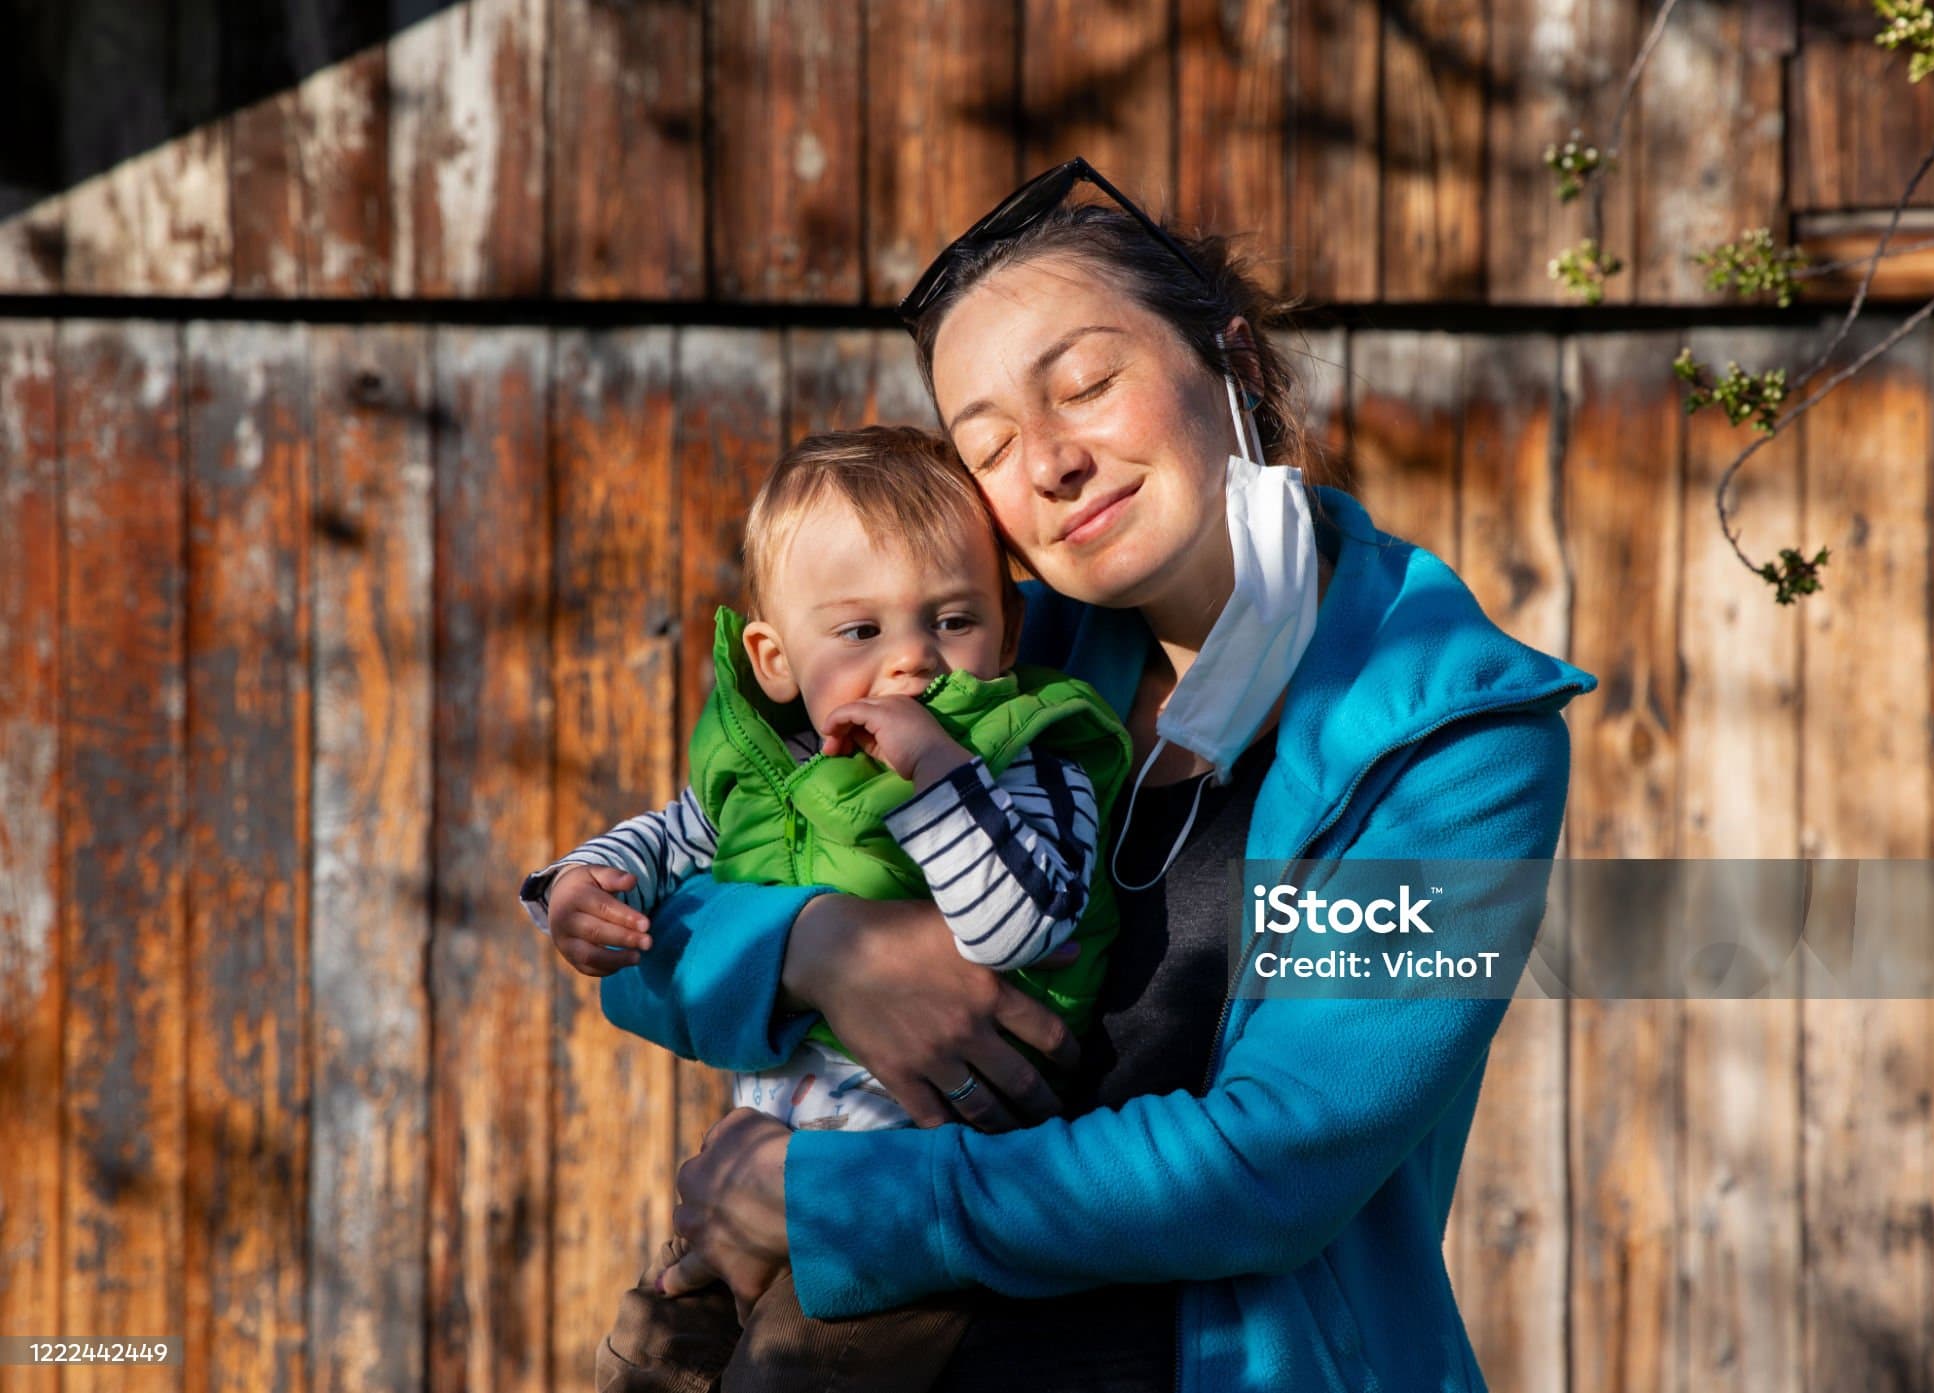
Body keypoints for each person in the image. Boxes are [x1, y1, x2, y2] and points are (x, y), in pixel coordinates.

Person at [556, 158, 1597, 1392]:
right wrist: (821, 946)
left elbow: (1274, 1168)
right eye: (985, 444)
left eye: (1086, 386)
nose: (1046, 462)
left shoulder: (1455, 740)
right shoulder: (984, 654)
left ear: (1235, 364)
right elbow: (652, 946)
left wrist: (827, 1199)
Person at [520, 425, 1131, 1390]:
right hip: (759, 1168)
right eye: (860, 631)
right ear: (773, 658)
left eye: (953, 620)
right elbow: (674, 841)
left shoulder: (1028, 761)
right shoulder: (774, 771)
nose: (911, 664)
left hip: (915, 1190)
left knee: (793, 1375)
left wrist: (938, 770)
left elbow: (1025, 924)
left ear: (1009, 630)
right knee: (646, 1352)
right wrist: (578, 886)